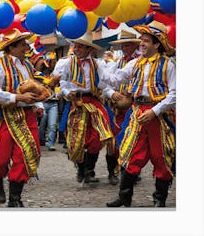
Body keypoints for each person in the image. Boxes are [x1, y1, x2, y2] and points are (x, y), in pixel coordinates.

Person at [103, 21, 176, 207]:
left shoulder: (168, 65)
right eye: (141, 40)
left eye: (145, 41)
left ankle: (160, 200)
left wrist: (154, 111)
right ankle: (124, 197)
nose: (141, 44)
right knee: (131, 152)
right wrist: (97, 71)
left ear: (156, 44)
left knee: (161, 156)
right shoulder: (135, 63)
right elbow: (115, 78)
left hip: (159, 115)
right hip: (137, 113)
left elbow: (175, 94)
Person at [0, 29, 45, 207]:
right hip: (6, 115)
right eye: (23, 44)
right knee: (2, 156)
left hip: (27, 116)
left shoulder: (27, 66)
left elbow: (35, 89)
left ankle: (15, 198)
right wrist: (16, 98)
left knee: (26, 154)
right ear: (11, 48)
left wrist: (39, 106)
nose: (27, 47)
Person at [53, 31, 115, 184]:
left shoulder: (98, 64)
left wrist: (112, 93)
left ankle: (89, 169)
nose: (76, 48)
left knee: (98, 137)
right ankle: (81, 169)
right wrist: (68, 92)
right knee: (76, 140)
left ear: (89, 49)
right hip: (77, 104)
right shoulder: (67, 63)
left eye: (81, 46)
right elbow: (63, 83)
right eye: (76, 45)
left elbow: (105, 83)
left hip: (94, 102)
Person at [103, 30, 142, 185]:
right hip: (117, 109)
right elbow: (104, 84)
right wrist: (112, 93)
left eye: (127, 45)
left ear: (134, 46)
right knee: (113, 141)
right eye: (123, 45)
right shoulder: (116, 64)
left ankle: (130, 170)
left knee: (135, 140)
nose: (125, 48)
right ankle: (112, 171)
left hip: (136, 107)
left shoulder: (141, 63)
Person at [37, 52, 60, 151]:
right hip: (43, 102)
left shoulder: (58, 73)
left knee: (52, 124)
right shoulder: (40, 74)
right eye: (52, 62)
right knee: (41, 125)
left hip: (54, 103)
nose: (54, 63)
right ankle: (41, 141)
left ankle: (51, 143)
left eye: (55, 61)